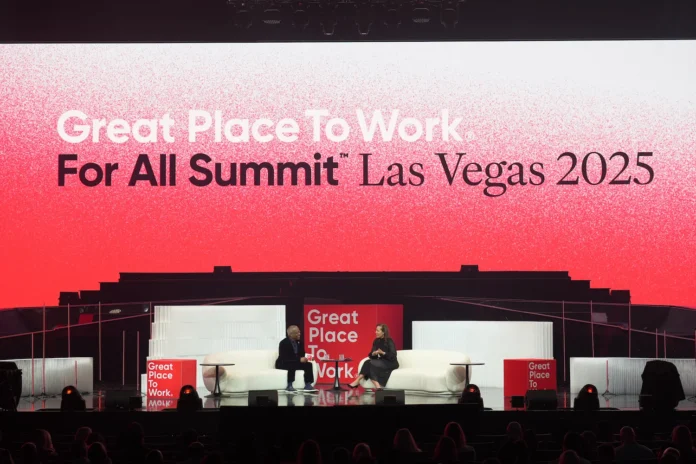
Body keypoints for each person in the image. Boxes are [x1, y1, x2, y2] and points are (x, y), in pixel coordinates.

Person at [348, 324, 398, 389]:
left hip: (391, 362)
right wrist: (374, 354)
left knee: (369, 363)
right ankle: (377, 386)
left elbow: (393, 355)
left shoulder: (389, 341)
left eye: (378, 331)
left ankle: (358, 380)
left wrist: (383, 353)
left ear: (383, 332)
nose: (375, 332)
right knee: (368, 363)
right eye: (375, 330)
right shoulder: (376, 341)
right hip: (381, 361)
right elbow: (371, 355)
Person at [276, 325, 316, 392]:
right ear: (290, 334)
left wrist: (309, 357)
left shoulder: (300, 342)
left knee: (308, 365)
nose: (299, 334)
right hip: (283, 363)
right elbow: (285, 357)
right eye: (297, 333)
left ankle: (308, 384)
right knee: (292, 364)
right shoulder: (283, 343)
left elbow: (302, 354)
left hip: (295, 361)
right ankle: (289, 385)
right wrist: (299, 359)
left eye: (299, 332)